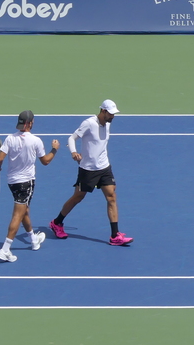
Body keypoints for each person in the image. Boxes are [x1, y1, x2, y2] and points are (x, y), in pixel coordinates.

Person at [49, 100, 133, 247]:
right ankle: (57, 223)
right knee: (78, 197)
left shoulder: (108, 124)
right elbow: (72, 138)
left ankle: (115, 235)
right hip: (88, 169)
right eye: (111, 113)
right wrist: (74, 152)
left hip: (104, 167)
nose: (113, 116)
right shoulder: (88, 123)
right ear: (103, 111)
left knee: (111, 196)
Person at [0, 110, 60, 263]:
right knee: (18, 214)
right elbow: (45, 161)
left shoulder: (10, 139)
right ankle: (5, 249)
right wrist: (54, 149)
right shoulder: (36, 141)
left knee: (24, 210)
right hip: (26, 183)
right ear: (30, 123)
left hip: (12, 182)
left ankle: (33, 240)